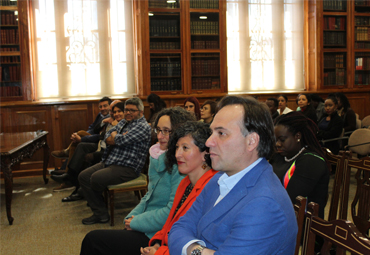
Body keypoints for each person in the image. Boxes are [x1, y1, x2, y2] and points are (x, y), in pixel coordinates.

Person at [168, 96, 298, 255]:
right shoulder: (220, 178)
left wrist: (190, 247)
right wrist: (201, 252)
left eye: (221, 133)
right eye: (211, 132)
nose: (209, 142)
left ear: (251, 141)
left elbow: (182, 235)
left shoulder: (265, 204)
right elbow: (179, 227)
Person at [80, 107, 195, 254]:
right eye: (158, 130)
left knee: (93, 240)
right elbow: (149, 195)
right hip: (145, 224)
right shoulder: (158, 155)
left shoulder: (182, 165)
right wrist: (131, 217)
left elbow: (171, 212)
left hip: (157, 234)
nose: (160, 136)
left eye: (166, 131)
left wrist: (136, 222)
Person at [140, 122, 218, 255]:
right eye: (177, 148)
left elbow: (197, 243)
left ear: (205, 153)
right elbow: (171, 223)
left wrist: (160, 252)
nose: (177, 154)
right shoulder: (186, 182)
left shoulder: (212, 187)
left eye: (185, 148)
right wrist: (157, 243)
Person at [78, 97, 151, 225]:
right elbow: (107, 137)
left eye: (132, 110)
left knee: (95, 178)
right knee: (83, 176)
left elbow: (119, 140)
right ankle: (100, 211)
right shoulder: (124, 122)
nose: (128, 113)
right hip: (111, 162)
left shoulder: (143, 127)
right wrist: (116, 137)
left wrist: (116, 137)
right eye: (126, 110)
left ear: (141, 112)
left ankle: (100, 213)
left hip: (128, 167)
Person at [52, 101, 125, 202]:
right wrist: (104, 123)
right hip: (102, 146)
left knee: (86, 157)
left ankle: (76, 187)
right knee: (81, 146)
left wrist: (110, 133)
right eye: (113, 111)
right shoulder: (108, 119)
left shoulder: (122, 123)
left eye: (118, 111)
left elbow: (109, 139)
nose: (114, 113)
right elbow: (98, 132)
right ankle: (70, 177)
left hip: (109, 152)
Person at [270, 111, 329, 219]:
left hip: (304, 226)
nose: (277, 144)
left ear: (297, 136)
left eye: (282, 140)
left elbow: (289, 200)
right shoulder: (280, 156)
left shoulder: (311, 161)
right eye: (275, 140)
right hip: (279, 216)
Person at [51, 96, 112, 191]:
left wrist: (83, 138)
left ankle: (67, 171)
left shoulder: (112, 118)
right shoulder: (101, 116)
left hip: (100, 143)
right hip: (94, 138)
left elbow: (101, 136)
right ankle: (68, 175)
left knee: (80, 137)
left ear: (110, 106)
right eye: (100, 106)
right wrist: (86, 135)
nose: (102, 108)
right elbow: (92, 128)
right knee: (80, 141)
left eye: (105, 106)